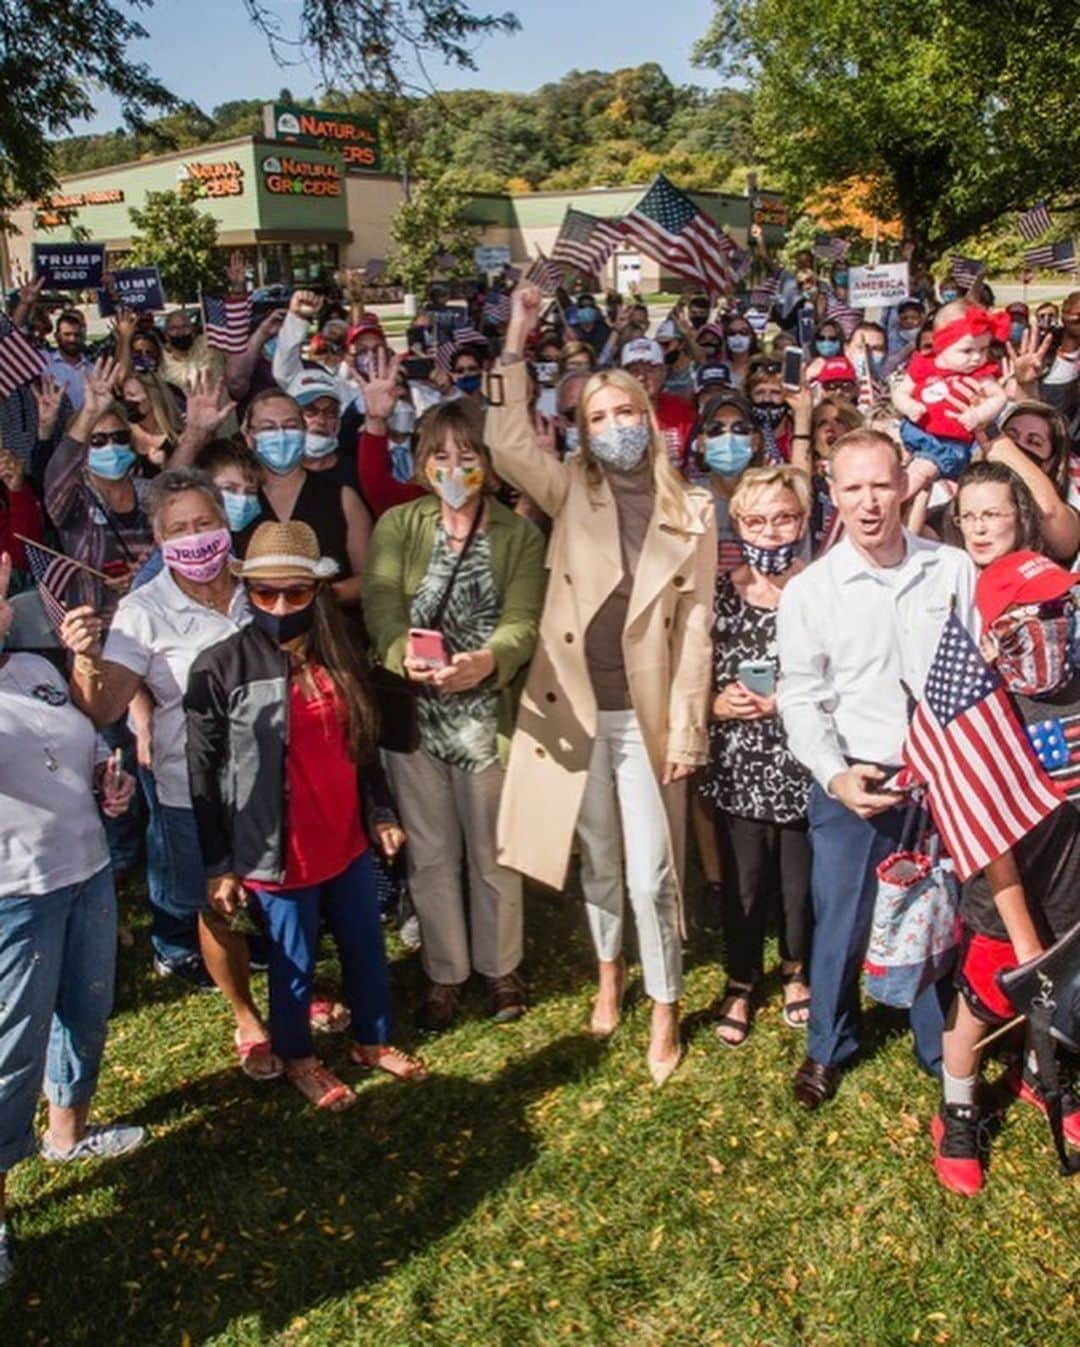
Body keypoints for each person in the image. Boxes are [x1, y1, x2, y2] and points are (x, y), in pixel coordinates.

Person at [490, 282, 716, 1086]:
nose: (614, 426)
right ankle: (609, 971)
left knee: (656, 869)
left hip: (649, 721)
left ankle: (665, 1001)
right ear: (581, 431)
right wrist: (517, 331)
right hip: (577, 712)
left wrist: (689, 728)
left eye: (625, 413)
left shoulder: (692, 508)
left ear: (648, 420)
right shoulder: (569, 490)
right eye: (597, 416)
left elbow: (696, 628)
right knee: (599, 861)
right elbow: (507, 442)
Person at [185, 521, 425, 1110]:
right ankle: (298, 1058)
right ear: (248, 592)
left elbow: (362, 742)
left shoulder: (339, 649)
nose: (281, 606)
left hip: (343, 837)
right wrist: (221, 863)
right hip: (276, 850)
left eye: (295, 592)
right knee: (292, 963)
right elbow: (202, 774)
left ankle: (372, 1039)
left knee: (366, 945)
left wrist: (379, 811)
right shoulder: (219, 667)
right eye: (266, 594)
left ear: (316, 591)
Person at [777, 429, 977, 1108]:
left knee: (941, 912)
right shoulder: (811, 591)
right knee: (841, 916)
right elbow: (800, 695)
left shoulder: (950, 570)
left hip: (941, 775)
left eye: (880, 484)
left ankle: (937, 1041)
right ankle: (828, 1045)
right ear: (834, 493)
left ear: (905, 485)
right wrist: (834, 775)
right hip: (855, 777)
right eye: (853, 487)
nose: (869, 502)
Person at [363, 396, 545, 1031]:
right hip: (414, 719)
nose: (453, 467)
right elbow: (380, 602)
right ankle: (445, 972)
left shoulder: (519, 535)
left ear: (489, 464)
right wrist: (395, 654)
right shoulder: (398, 526)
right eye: (439, 455)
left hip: (485, 718)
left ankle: (501, 968)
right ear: (420, 462)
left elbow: (524, 622)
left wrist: (487, 662)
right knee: (432, 855)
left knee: (494, 852)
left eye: (466, 456)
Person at [0, 551, 144, 1288]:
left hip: (84, 872)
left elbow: (86, 735)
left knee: (84, 1013)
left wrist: (104, 783)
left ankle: (66, 1135)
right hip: (13, 896)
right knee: (9, 1051)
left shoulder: (35, 667)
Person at [934, 552, 1080, 1194]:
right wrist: (1022, 936)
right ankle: (957, 1109)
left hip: (1072, 882)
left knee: (1068, 993)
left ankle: (1041, 1074)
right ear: (994, 632)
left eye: (1060, 610)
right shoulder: (984, 712)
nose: (1053, 624)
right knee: (984, 1003)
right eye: (1034, 614)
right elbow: (991, 839)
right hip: (1006, 896)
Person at [704, 466, 813, 1046]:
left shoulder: (821, 591)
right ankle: (741, 981)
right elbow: (689, 672)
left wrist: (788, 702)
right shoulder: (719, 593)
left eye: (784, 518)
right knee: (744, 885)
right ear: (739, 524)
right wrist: (715, 704)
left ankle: (797, 970)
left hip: (803, 766)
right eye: (757, 520)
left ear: (802, 520)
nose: (771, 532)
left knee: (799, 888)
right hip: (739, 766)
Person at [238, 388, 371, 604]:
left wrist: (312, 599)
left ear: (303, 432)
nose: (281, 435)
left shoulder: (343, 497)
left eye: (291, 426)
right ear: (249, 438)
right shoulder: (235, 499)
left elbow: (368, 579)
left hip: (329, 628)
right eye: (268, 428)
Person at [979, 401, 1080, 563]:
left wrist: (993, 436)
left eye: (1033, 442)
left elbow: (1049, 513)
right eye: (1011, 436)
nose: (1018, 446)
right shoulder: (956, 495)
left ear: (1050, 463)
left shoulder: (1066, 514)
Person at [620, 338, 697, 476]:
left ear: (663, 372)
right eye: (634, 371)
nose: (641, 377)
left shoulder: (683, 412)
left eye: (649, 370)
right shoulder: (614, 415)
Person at [948, 461, 1043, 569]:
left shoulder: (1044, 579)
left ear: (1021, 516)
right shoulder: (949, 577)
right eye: (967, 517)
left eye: (991, 515)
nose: (979, 529)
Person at [161, 307, 225, 393]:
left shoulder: (210, 344)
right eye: (174, 328)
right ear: (166, 335)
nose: (181, 332)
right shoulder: (161, 360)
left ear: (193, 330)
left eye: (185, 327)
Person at [44, 309, 93, 411]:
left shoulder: (92, 369)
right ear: (56, 336)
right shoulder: (45, 364)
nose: (72, 339)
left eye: (77, 335)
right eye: (67, 334)